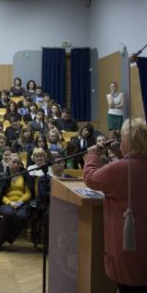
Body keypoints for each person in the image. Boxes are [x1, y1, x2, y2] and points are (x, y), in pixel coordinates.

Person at [84, 118, 147, 292]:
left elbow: (90, 178)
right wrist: (120, 154)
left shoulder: (120, 169)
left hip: (128, 250)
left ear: (127, 141)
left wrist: (92, 155)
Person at [0, 153, 33, 252]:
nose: (16, 164)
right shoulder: (2, 175)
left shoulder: (25, 175)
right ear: (8, 162)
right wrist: (10, 203)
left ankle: (6, 238)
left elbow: (28, 193)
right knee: (9, 214)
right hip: (6, 203)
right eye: (13, 162)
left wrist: (19, 202)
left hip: (21, 202)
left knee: (22, 217)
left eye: (18, 163)